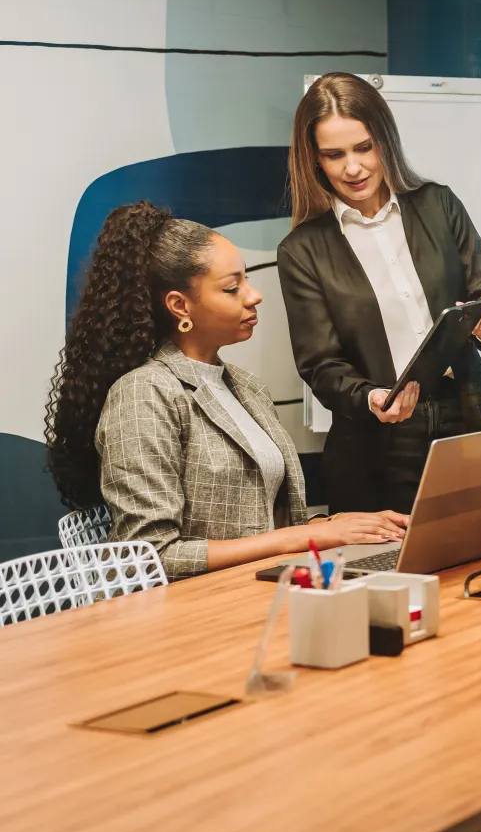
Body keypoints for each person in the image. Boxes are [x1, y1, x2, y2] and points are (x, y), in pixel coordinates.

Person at [44, 202, 408, 580]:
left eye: (246, 280)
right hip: (199, 610)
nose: (254, 296)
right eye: (232, 288)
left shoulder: (245, 387)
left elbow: (260, 521)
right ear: (179, 305)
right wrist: (306, 535)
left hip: (264, 588)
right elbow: (151, 554)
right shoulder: (143, 394)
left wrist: (336, 524)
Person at [277, 72, 481, 514]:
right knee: (388, 570)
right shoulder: (303, 249)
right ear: (314, 160)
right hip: (377, 443)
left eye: (364, 148)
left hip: (465, 417)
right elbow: (321, 365)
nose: (353, 168)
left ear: (385, 141)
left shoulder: (438, 205)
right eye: (334, 155)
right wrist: (369, 397)